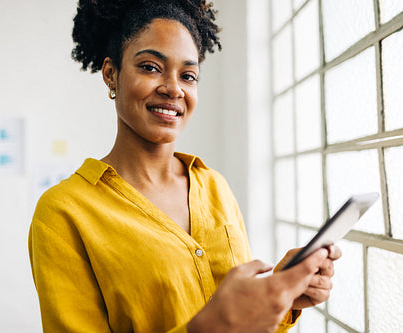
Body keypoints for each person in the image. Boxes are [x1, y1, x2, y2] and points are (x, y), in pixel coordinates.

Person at [28, 1, 342, 332]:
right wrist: (211, 324)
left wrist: (281, 297)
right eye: (150, 67)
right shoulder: (64, 213)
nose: (173, 88)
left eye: (188, 75)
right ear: (111, 74)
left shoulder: (214, 186)